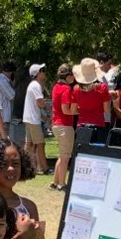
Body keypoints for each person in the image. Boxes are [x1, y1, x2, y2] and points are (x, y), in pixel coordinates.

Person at [49, 63, 77, 191]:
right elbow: (66, 110)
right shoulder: (66, 89)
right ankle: (62, 184)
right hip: (65, 125)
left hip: (56, 124)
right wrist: (79, 111)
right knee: (66, 157)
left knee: (62, 155)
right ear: (69, 76)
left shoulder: (56, 87)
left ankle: (55, 182)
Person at [22, 63, 49, 173]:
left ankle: (26, 167)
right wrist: (49, 105)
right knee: (40, 143)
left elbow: (37, 105)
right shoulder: (36, 85)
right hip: (33, 120)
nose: (44, 72)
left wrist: (44, 117)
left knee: (29, 145)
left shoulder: (33, 85)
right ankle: (45, 168)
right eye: (42, 70)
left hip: (30, 118)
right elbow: (41, 103)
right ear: (38, 73)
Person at [71, 58, 111, 131]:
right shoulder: (102, 87)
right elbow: (107, 109)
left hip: (81, 126)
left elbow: (73, 110)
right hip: (98, 125)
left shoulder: (76, 89)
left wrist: (83, 110)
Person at [0, 61, 22, 145]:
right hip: (4, 116)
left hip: (1, 114)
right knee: (4, 140)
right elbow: (13, 96)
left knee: (2, 140)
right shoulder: (3, 82)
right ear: (11, 72)